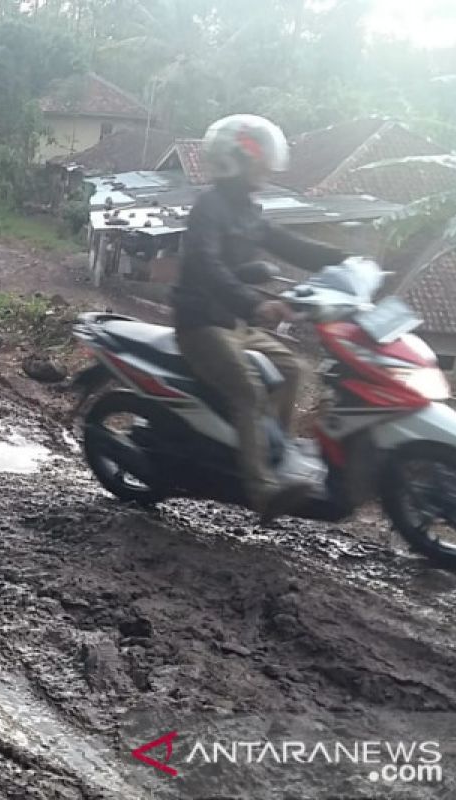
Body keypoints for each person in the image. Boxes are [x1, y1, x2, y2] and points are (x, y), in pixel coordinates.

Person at [173, 114, 349, 522]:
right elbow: (207, 266)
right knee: (249, 392)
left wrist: (344, 260)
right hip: (201, 324)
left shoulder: (247, 210)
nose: (267, 168)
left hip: (236, 324)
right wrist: (253, 304)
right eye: (259, 160)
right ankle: (262, 489)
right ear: (234, 160)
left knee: (292, 369)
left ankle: (278, 454)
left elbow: (289, 244)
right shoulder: (209, 209)